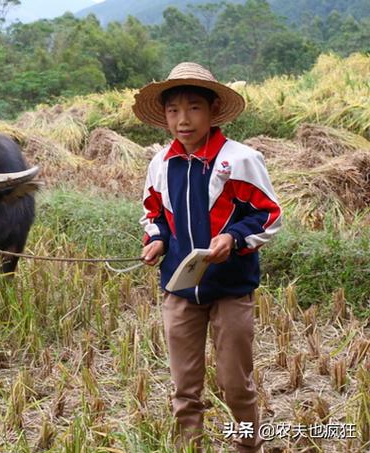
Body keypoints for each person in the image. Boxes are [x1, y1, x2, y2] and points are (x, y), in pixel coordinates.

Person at [132, 62, 282, 452]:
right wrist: (157, 240)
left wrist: (233, 238)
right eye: (173, 110)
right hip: (180, 289)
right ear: (164, 116)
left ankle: (248, 446)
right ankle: (189, 446)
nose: (183, 119)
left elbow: (267, 213)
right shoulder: (161, 164)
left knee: (236, 385)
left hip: (230, 289)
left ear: (214, 110)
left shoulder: (240, 160)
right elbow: (154, 213)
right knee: (184, 388)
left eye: (194, 107)